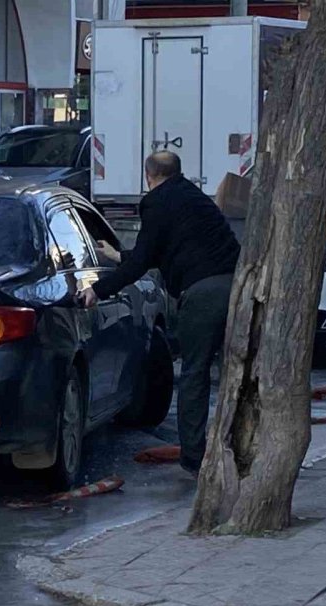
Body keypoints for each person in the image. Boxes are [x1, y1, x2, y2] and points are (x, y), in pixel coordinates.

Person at [76, 151, 240, 476]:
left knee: (195, 373)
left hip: (202, 293)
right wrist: (122, 255)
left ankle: (194, 458)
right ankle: (236, 447)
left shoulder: (156, 202)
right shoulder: (195, 197)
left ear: (148, 175)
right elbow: (157, 251)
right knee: (236, 370)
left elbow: (141, 263)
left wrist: (97, 289)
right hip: (237, 285)